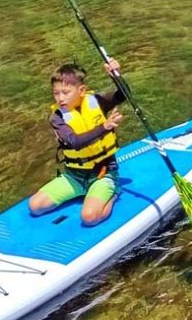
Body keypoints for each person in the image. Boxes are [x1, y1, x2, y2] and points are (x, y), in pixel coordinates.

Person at [28, 60, 126, 226]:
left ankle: (114, 191)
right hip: (74, 176)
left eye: (65, 92)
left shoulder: (96, 101)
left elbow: (122, 94)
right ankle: (83, 192)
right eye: (56, 93)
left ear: (81, 90)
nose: (60, 98)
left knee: (89, 218)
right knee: (35, 206)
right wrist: (105, 126)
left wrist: (116, 75)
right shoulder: (57, 117)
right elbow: (75, 142)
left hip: (103, 173)